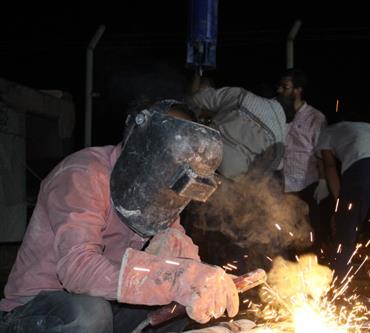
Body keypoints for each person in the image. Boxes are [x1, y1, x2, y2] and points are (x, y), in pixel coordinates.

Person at [0, 100, 239, 333]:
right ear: (144, 139)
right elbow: (78, 270)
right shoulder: (83, 174)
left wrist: (199, 280)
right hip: (38, 311)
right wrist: (175, 279)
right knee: (90, 314)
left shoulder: (161, 191)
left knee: (177, 304)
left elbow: (178, 251)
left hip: (107, 304)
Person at [316, 111, 370, 306]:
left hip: (362, 167)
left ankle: (339, 299)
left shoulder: (327, 133)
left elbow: (330, 167)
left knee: (345, 237)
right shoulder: (369, 127)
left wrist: (340, 208)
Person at [186, 72, 286, 180]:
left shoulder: (240, 95)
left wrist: (198, 82)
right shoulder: (279, 132)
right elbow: (270, 169)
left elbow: (196, 99)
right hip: (230, 179)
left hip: (201, 156)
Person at [276, 69, 329, 255]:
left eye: (285, 87)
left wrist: (323, 181)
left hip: (307, 184)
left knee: (309, 233)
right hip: (282, 183)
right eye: (280, 86)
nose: (280, 90)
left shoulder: (316, 117)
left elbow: (322, 152)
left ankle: (313, 272)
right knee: (284, 232)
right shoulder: (279, 115)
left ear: (298, 90)